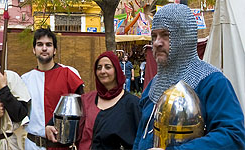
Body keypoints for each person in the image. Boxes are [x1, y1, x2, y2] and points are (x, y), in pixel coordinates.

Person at [133, 4, 245, 150]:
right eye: (154, 36)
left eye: (165, 35)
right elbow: (141, 134)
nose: (156, 43)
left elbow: (233, 136)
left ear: (184, 37)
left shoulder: (212, 82)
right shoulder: (154, 84)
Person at [46, 51, 141, 149]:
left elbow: (141, 139)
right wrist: (49, 126)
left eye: (108, 67)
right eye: (99, 68)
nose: (102, 71)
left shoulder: (132, 104)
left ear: (117, 70)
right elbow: (60, 118)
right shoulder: (86, 100)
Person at [21, 28, 84, 150]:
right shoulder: (24, 79)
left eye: (48, 45)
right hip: (33, 145)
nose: (44, 48)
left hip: (61, 146)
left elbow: (82, 107)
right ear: (34, 50)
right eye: (40, 44)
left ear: (54, 50)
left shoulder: (68, 73)